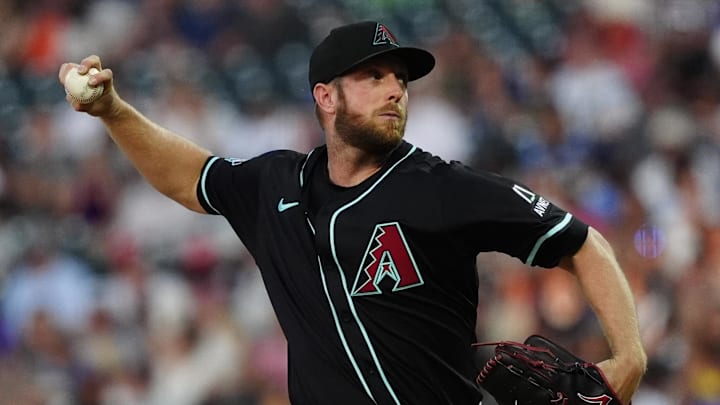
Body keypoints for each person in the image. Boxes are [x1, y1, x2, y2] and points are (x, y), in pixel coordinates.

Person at [58, 21, 646, 405]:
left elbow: (579, 241)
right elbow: (190, 177)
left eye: (400, 79)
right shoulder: (275, 184)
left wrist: (630, 356)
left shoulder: (441, 187)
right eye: (373, 76)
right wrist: (113, 110)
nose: (395, 90)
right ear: (325, 95)